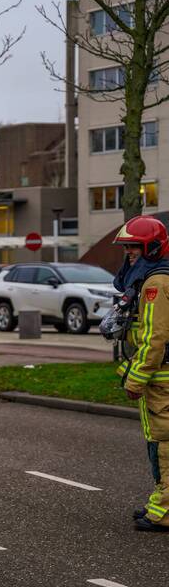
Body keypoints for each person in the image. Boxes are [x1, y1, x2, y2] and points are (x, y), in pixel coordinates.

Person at [112, 216, 169, 531]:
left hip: (161, 378)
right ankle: (160, 502)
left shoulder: (156, 284)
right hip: (159, 377)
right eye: (127, 247)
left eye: (134, 247)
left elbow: (154, 338)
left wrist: (136, 379)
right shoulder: (152, 279)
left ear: (152, 248)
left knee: (163, 442)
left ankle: (164, 510)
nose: (129, 253)